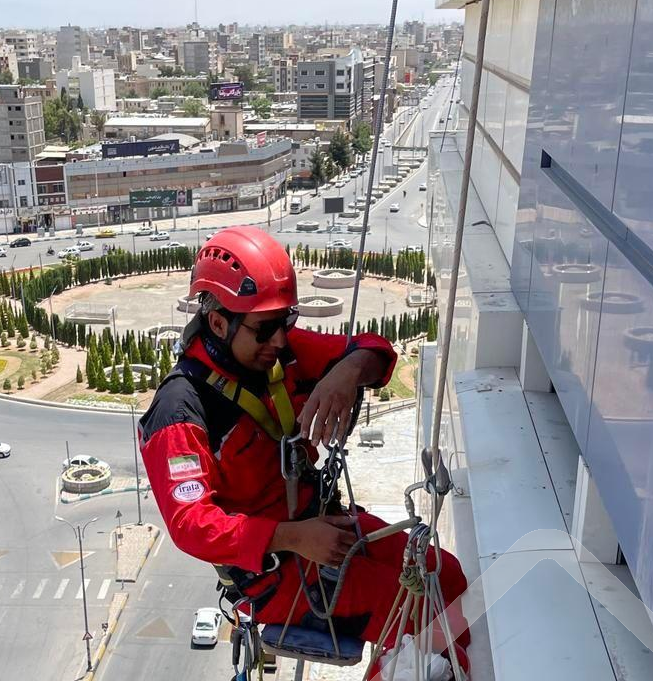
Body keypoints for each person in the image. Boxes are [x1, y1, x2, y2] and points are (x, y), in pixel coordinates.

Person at [139, 226, 468, 648]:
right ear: (219, 322)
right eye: (265, 328)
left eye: (285, 322)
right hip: (273, 572)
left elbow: (375, 350)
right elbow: (191, 525)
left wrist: (345, 374)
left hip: (320, 526)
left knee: (447, 574)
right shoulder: (182, 410)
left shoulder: (277, 352)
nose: (279, 338)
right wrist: (293, 537)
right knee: (416, 610)